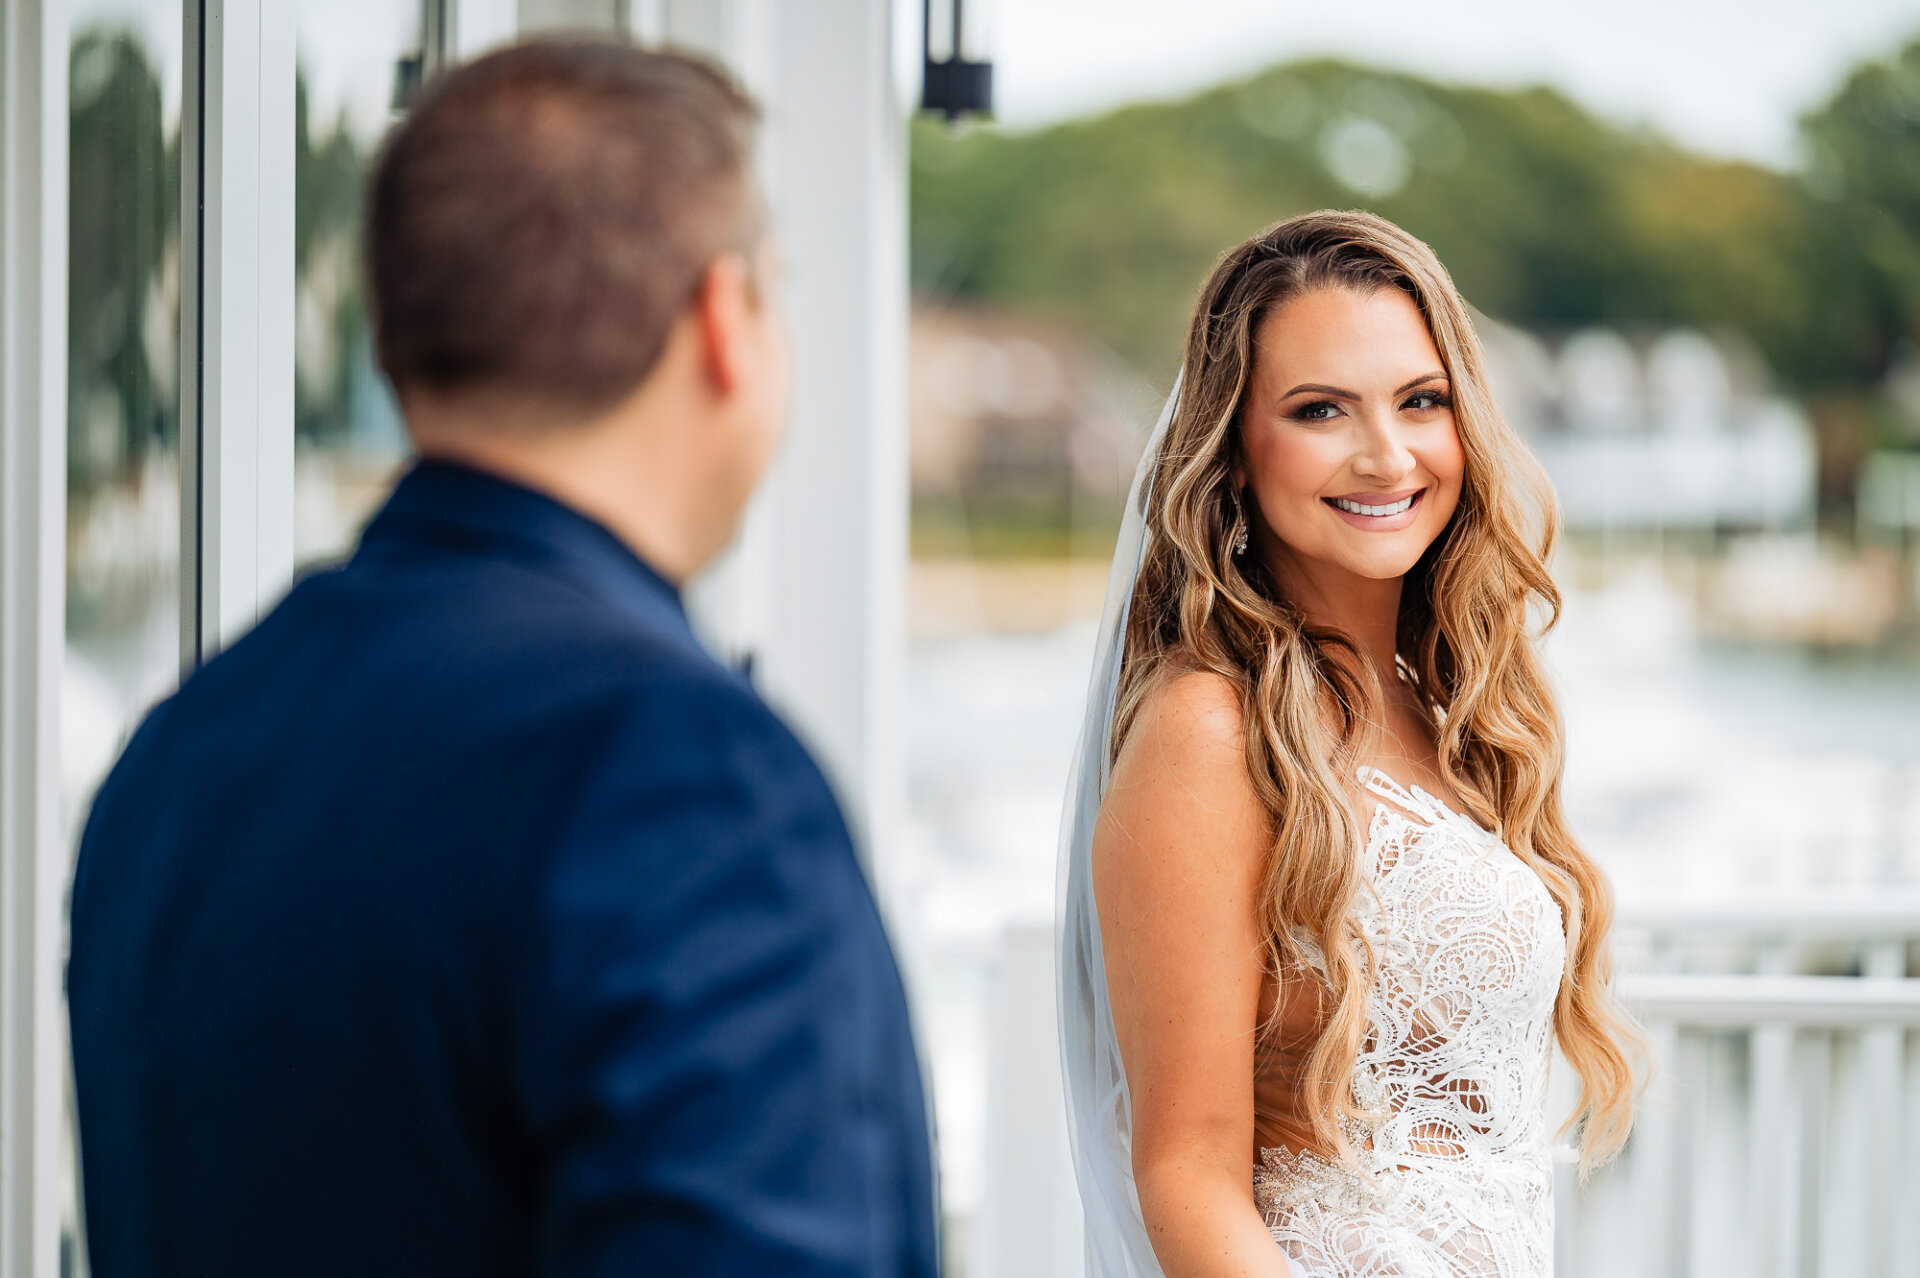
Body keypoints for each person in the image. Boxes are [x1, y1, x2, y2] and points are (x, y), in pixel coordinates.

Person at [68, 39, 936, 1278]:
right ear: (721, 319)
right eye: (774, 284)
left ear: (398, 342)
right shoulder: (683, 778)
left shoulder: (188, 745)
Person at [1057, 211, 1644, 1278]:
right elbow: (1185, 1175)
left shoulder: (1452, 714)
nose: (1387, 455)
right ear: (1235, 446)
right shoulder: (1207, 730)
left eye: (1421, 401)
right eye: (1320, 409)